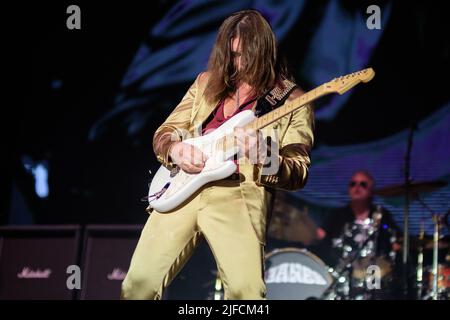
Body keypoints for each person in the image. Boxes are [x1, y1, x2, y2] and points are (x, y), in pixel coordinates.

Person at [121, 9, 314, 300]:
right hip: (184, 187)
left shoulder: (291, 99)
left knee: (245, 293)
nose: (240, 62)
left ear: (264, 50)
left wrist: (266, 155)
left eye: (247, 54)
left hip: (238, 195)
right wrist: (175, 149)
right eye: (233, 54)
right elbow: (166, 132)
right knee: (138, 285)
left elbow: (298, 170)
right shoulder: (205, 84)